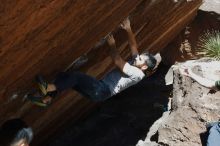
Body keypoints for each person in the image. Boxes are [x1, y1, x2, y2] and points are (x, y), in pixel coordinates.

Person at [29, 18, 162, 107]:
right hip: (99, 91)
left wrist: (112, 44)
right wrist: (128, 28)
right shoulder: (136, 63)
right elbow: (133, 46)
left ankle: (47, 89)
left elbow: (117, 61)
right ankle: (47, 99)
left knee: (76, 76)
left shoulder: (137, 73)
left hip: (102, 90)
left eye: (140, 59)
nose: (137, 57)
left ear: (144, 66)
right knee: (65, 77)